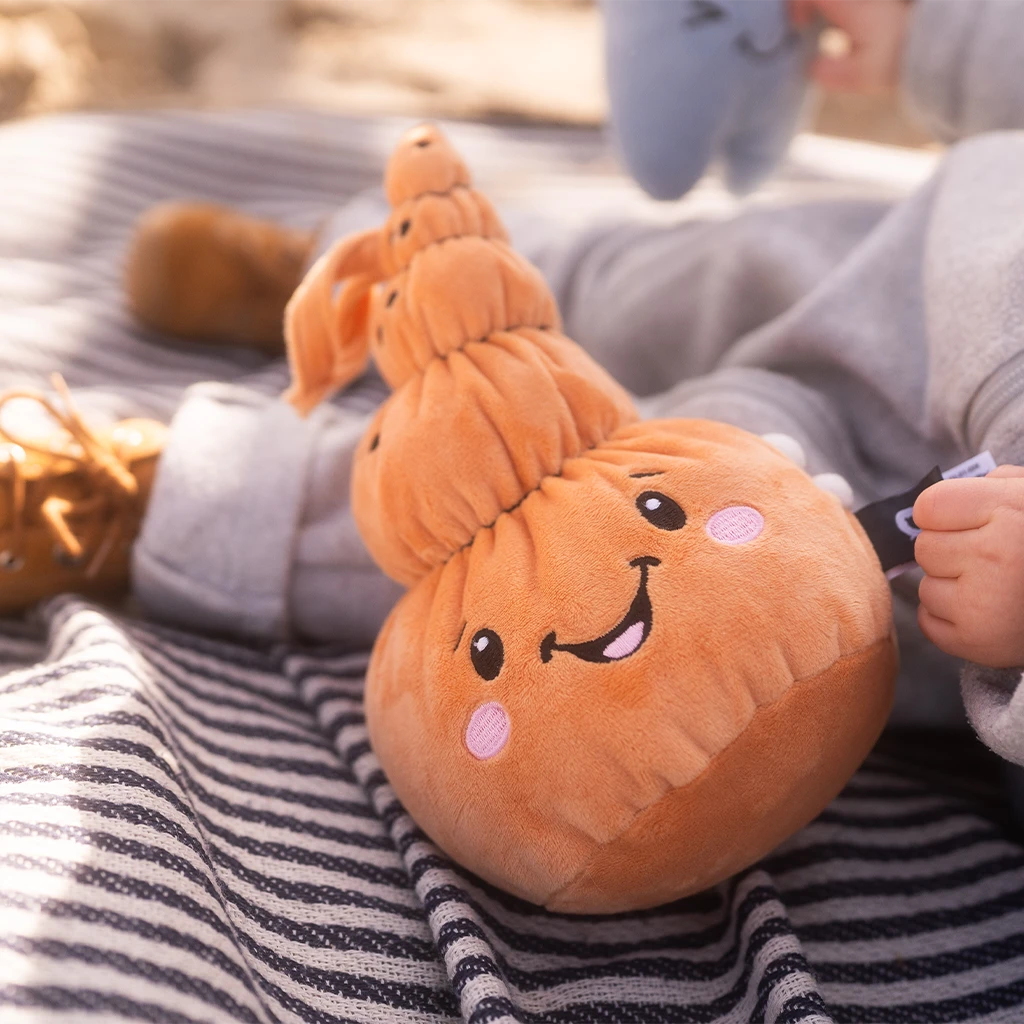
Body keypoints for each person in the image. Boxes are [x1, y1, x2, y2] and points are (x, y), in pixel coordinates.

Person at [3, 0, 1024, 755]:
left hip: (909, 522)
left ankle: (164, 500)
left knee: (579, 554)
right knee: (642, 279)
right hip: (919, 265)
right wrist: (936, 33)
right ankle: (382, 278)